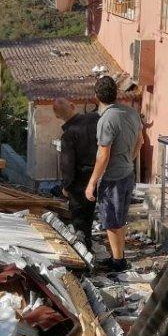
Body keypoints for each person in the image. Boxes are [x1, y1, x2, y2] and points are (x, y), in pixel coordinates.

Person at [86, 76, 142, 272]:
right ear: (116, 93)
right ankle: (119, 256)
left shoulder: (106, 120)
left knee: (112, 221)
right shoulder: (132, 113)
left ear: (96, 96)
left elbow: (103, 155)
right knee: (120, 219)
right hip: (128, 173)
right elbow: (140, 142)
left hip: (113, 178)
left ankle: (118, 262)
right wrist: (129, 158)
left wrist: (92, 182)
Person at [53, 98, 100, 250]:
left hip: (79, 180)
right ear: (73, 106)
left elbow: (68, 164)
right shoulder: (95, 119)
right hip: (99, 174)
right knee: (90, 214)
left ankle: (84, 250)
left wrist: (66, 186)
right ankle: (88, 244)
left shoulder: (68, 135)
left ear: (57, 116)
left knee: (80, 219)